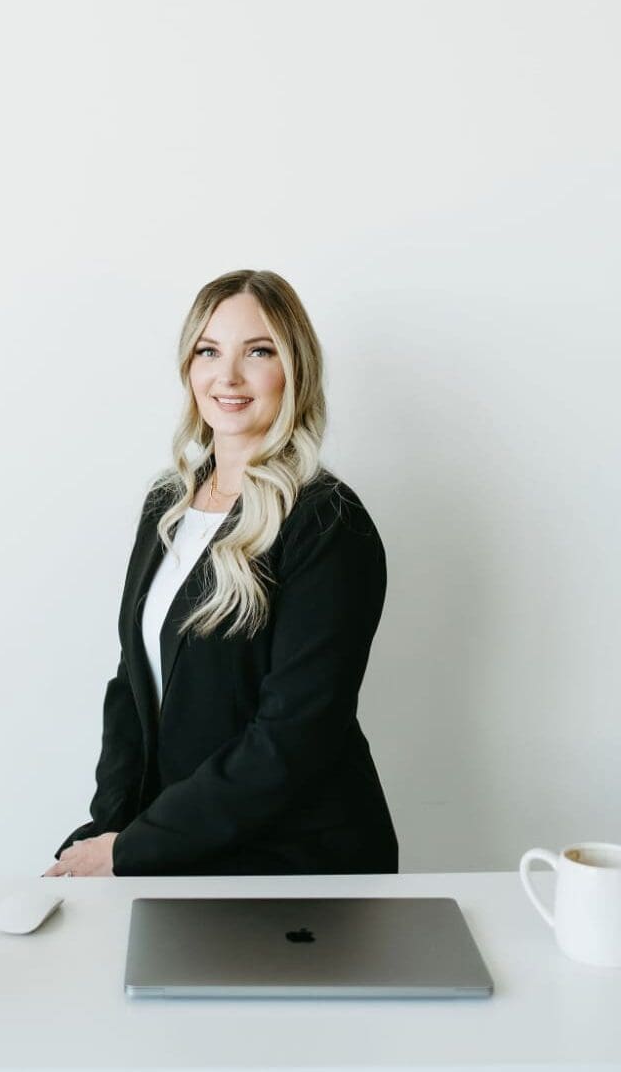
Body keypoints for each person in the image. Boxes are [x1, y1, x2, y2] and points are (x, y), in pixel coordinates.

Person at [43, 269, 397, 878]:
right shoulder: (169, 504)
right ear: (189, 367)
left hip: (294, 860)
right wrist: (111, 827)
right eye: (209, 351)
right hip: (182, 840)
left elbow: (292, 738)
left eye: (258, 352)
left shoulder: (329, 523)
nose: (227, 377)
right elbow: (133, 681)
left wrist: (132, 850)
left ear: (294, 370)